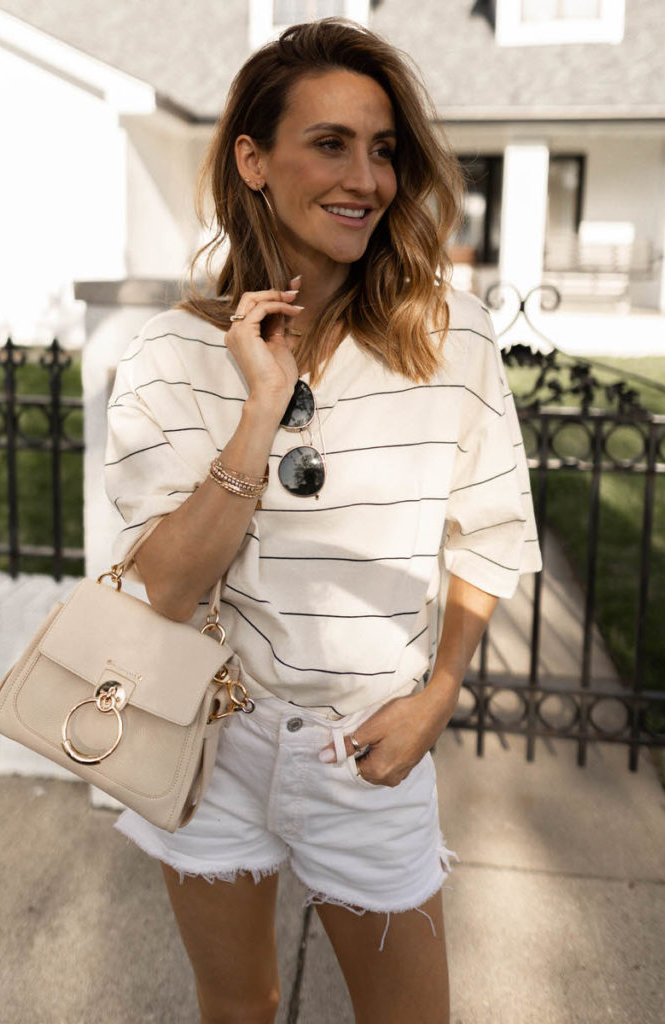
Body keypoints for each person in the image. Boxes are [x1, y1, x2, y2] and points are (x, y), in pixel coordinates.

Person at [104, 17, 541, 1023]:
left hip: (364, 745)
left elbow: (493, 529)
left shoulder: (449, 335)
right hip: (206, 735)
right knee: (239, 1005)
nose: (368, 177)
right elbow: (163, 588)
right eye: (331, 143)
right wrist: (260, 408)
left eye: (383, 149)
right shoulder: (172, 355)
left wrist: (439, 691)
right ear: (252, 161)